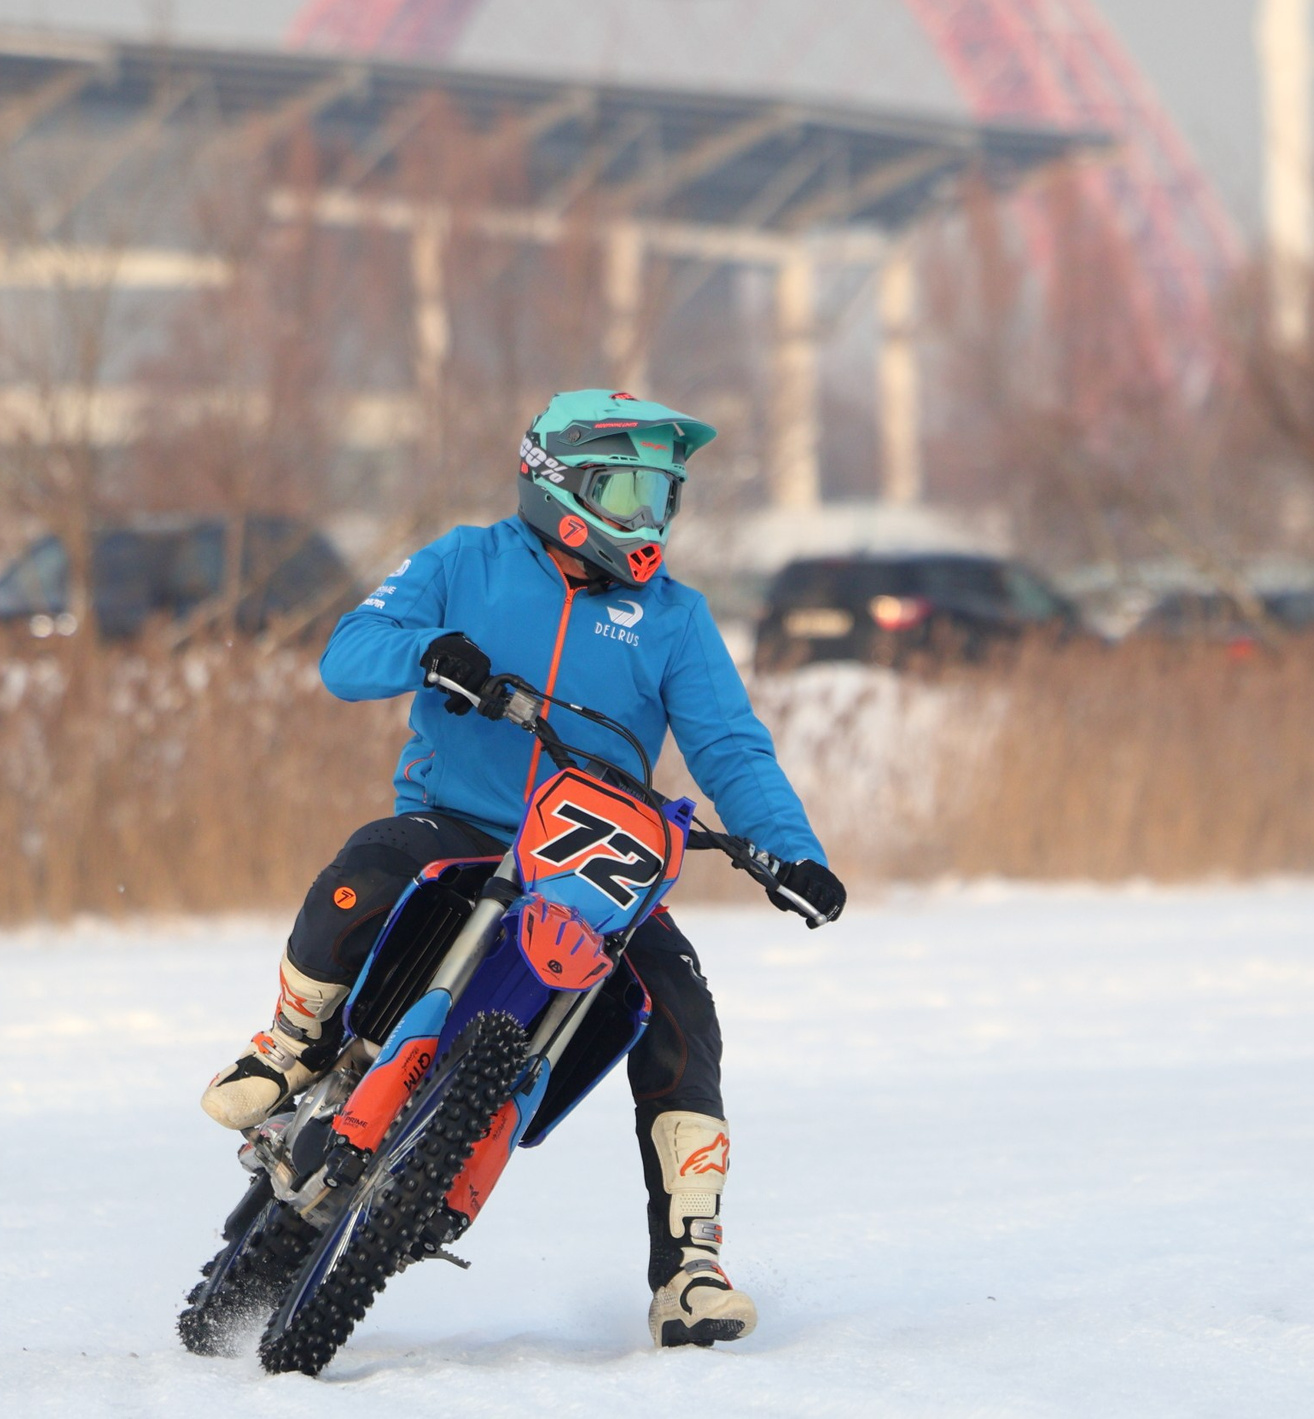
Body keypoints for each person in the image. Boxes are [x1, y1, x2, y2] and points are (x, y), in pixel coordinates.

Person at [199, 389, 847, 1349]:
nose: (650, 516)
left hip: (593, 864)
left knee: (681, 1007)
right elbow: (347, 654)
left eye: (662, 494)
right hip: (462, 822)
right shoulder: (465, 560)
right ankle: (291, 1041)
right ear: (561, 483)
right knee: (370, 864)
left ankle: (691, 1266)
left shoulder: (675, 617)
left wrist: (793, 853)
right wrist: (431, 652)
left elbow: (733, 750)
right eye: (629, 489)